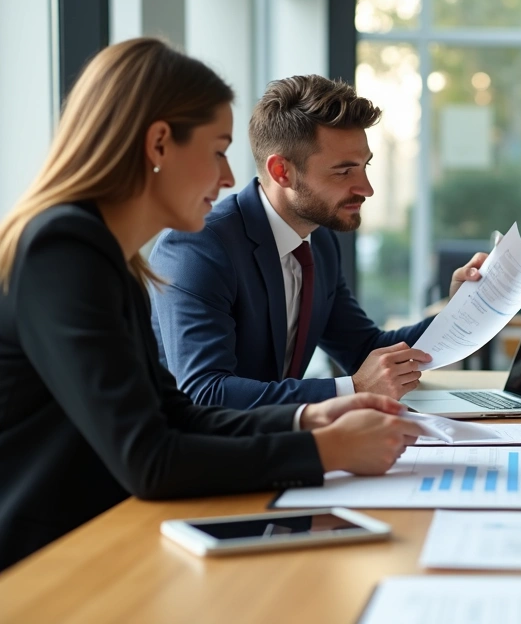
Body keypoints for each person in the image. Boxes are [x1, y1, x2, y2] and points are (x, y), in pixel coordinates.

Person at [0, 39, 427, 572]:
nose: (228, 178)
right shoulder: (63, 252)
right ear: (159, 145)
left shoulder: (110, 258)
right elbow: (149, 458)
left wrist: (309, 419)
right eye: (218, 150)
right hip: (42, 566)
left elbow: (175, 414)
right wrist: (327, 451)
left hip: (96, 544)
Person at [148, 75, 487, 408]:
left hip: (275, 445)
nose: (366, 188)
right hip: (204, 456)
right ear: (282, 171)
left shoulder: (317, 241)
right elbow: (205, 393)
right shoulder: (198, 247)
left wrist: (458, 310)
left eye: (365, 166)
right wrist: (352, 389)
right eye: (343, 171)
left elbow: (364, 350)